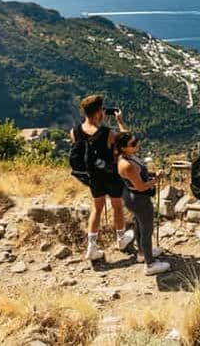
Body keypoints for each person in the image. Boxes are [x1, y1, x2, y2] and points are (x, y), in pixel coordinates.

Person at [70, 95, 134, 261]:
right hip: (111, 175)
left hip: (92, 176)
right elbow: (127, 141)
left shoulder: (75, 132)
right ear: (99, 112)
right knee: (117, 206)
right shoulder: (107, 133)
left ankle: (92, 246)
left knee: (97, 208)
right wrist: (120, 120)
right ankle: (121, 239)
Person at [115, 132, 171, 275]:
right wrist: (156, 180)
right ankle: (150, 263)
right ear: (123, 148)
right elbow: (140, 186)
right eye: (133, 144)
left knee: (138, 224)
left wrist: (151, 174)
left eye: (136, 141)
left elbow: (139, 175)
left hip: (131, 196)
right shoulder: (127, 165)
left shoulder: (127, 157)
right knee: (147, 229)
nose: (137, 145)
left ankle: (142, 253)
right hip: (139, 198)